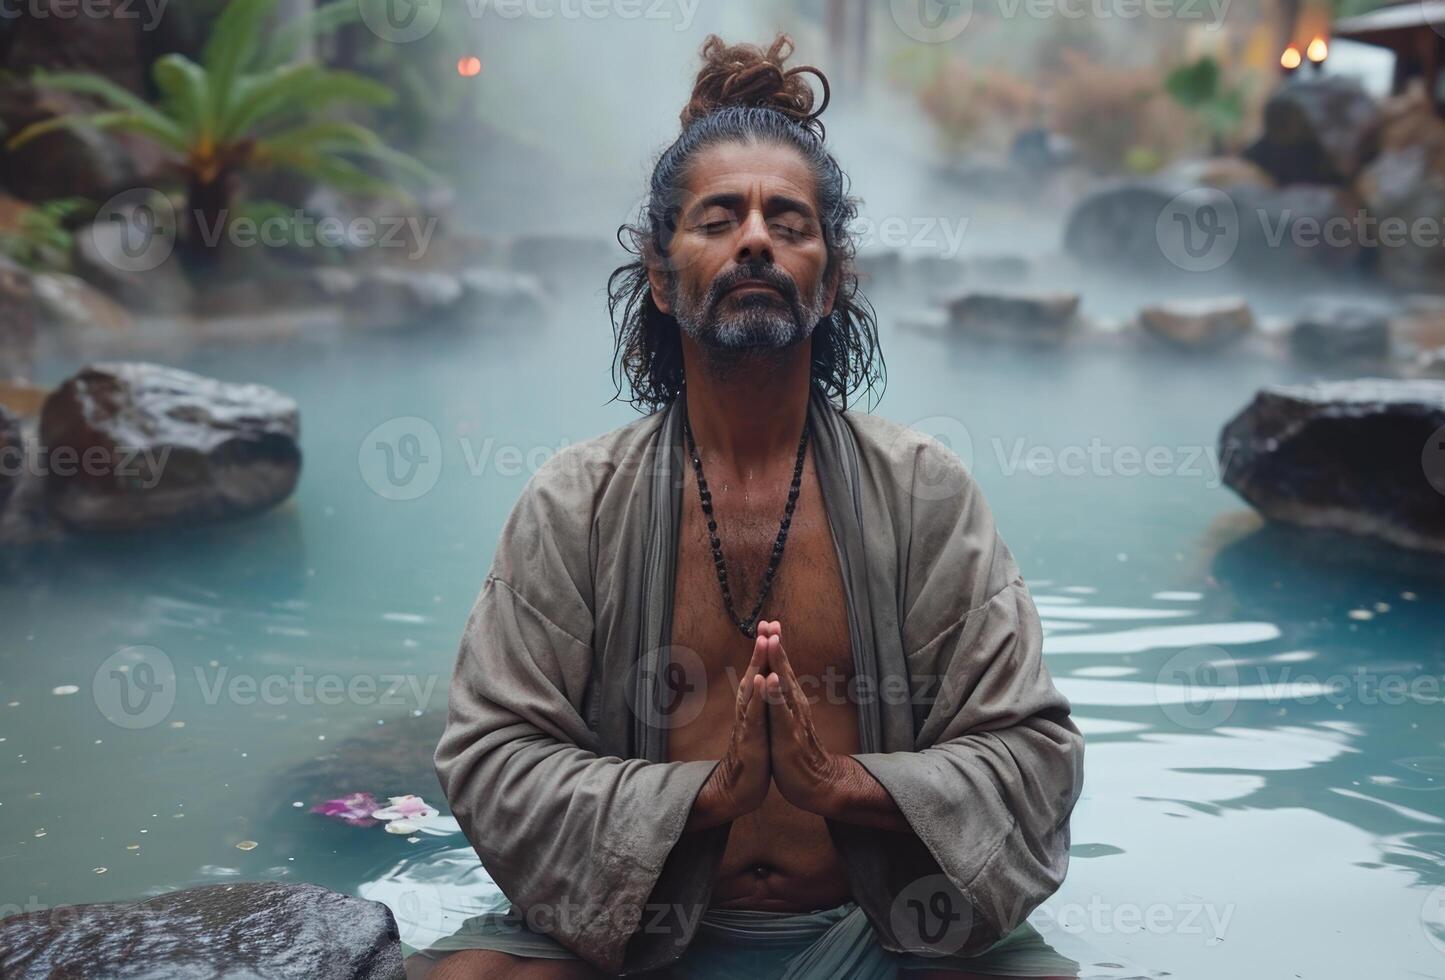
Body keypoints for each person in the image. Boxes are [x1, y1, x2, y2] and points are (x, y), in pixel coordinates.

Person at [409, 34, 1084, 980]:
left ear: (833, 276)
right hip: (627, 929)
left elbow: (1033, 752)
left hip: (881, 921)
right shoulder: (577, 500)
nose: (757, 238)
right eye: (720, 217)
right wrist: (702, 800)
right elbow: (488, 752)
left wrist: (840, 785)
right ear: (658, 271)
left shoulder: (923, 492)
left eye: (790, 222)